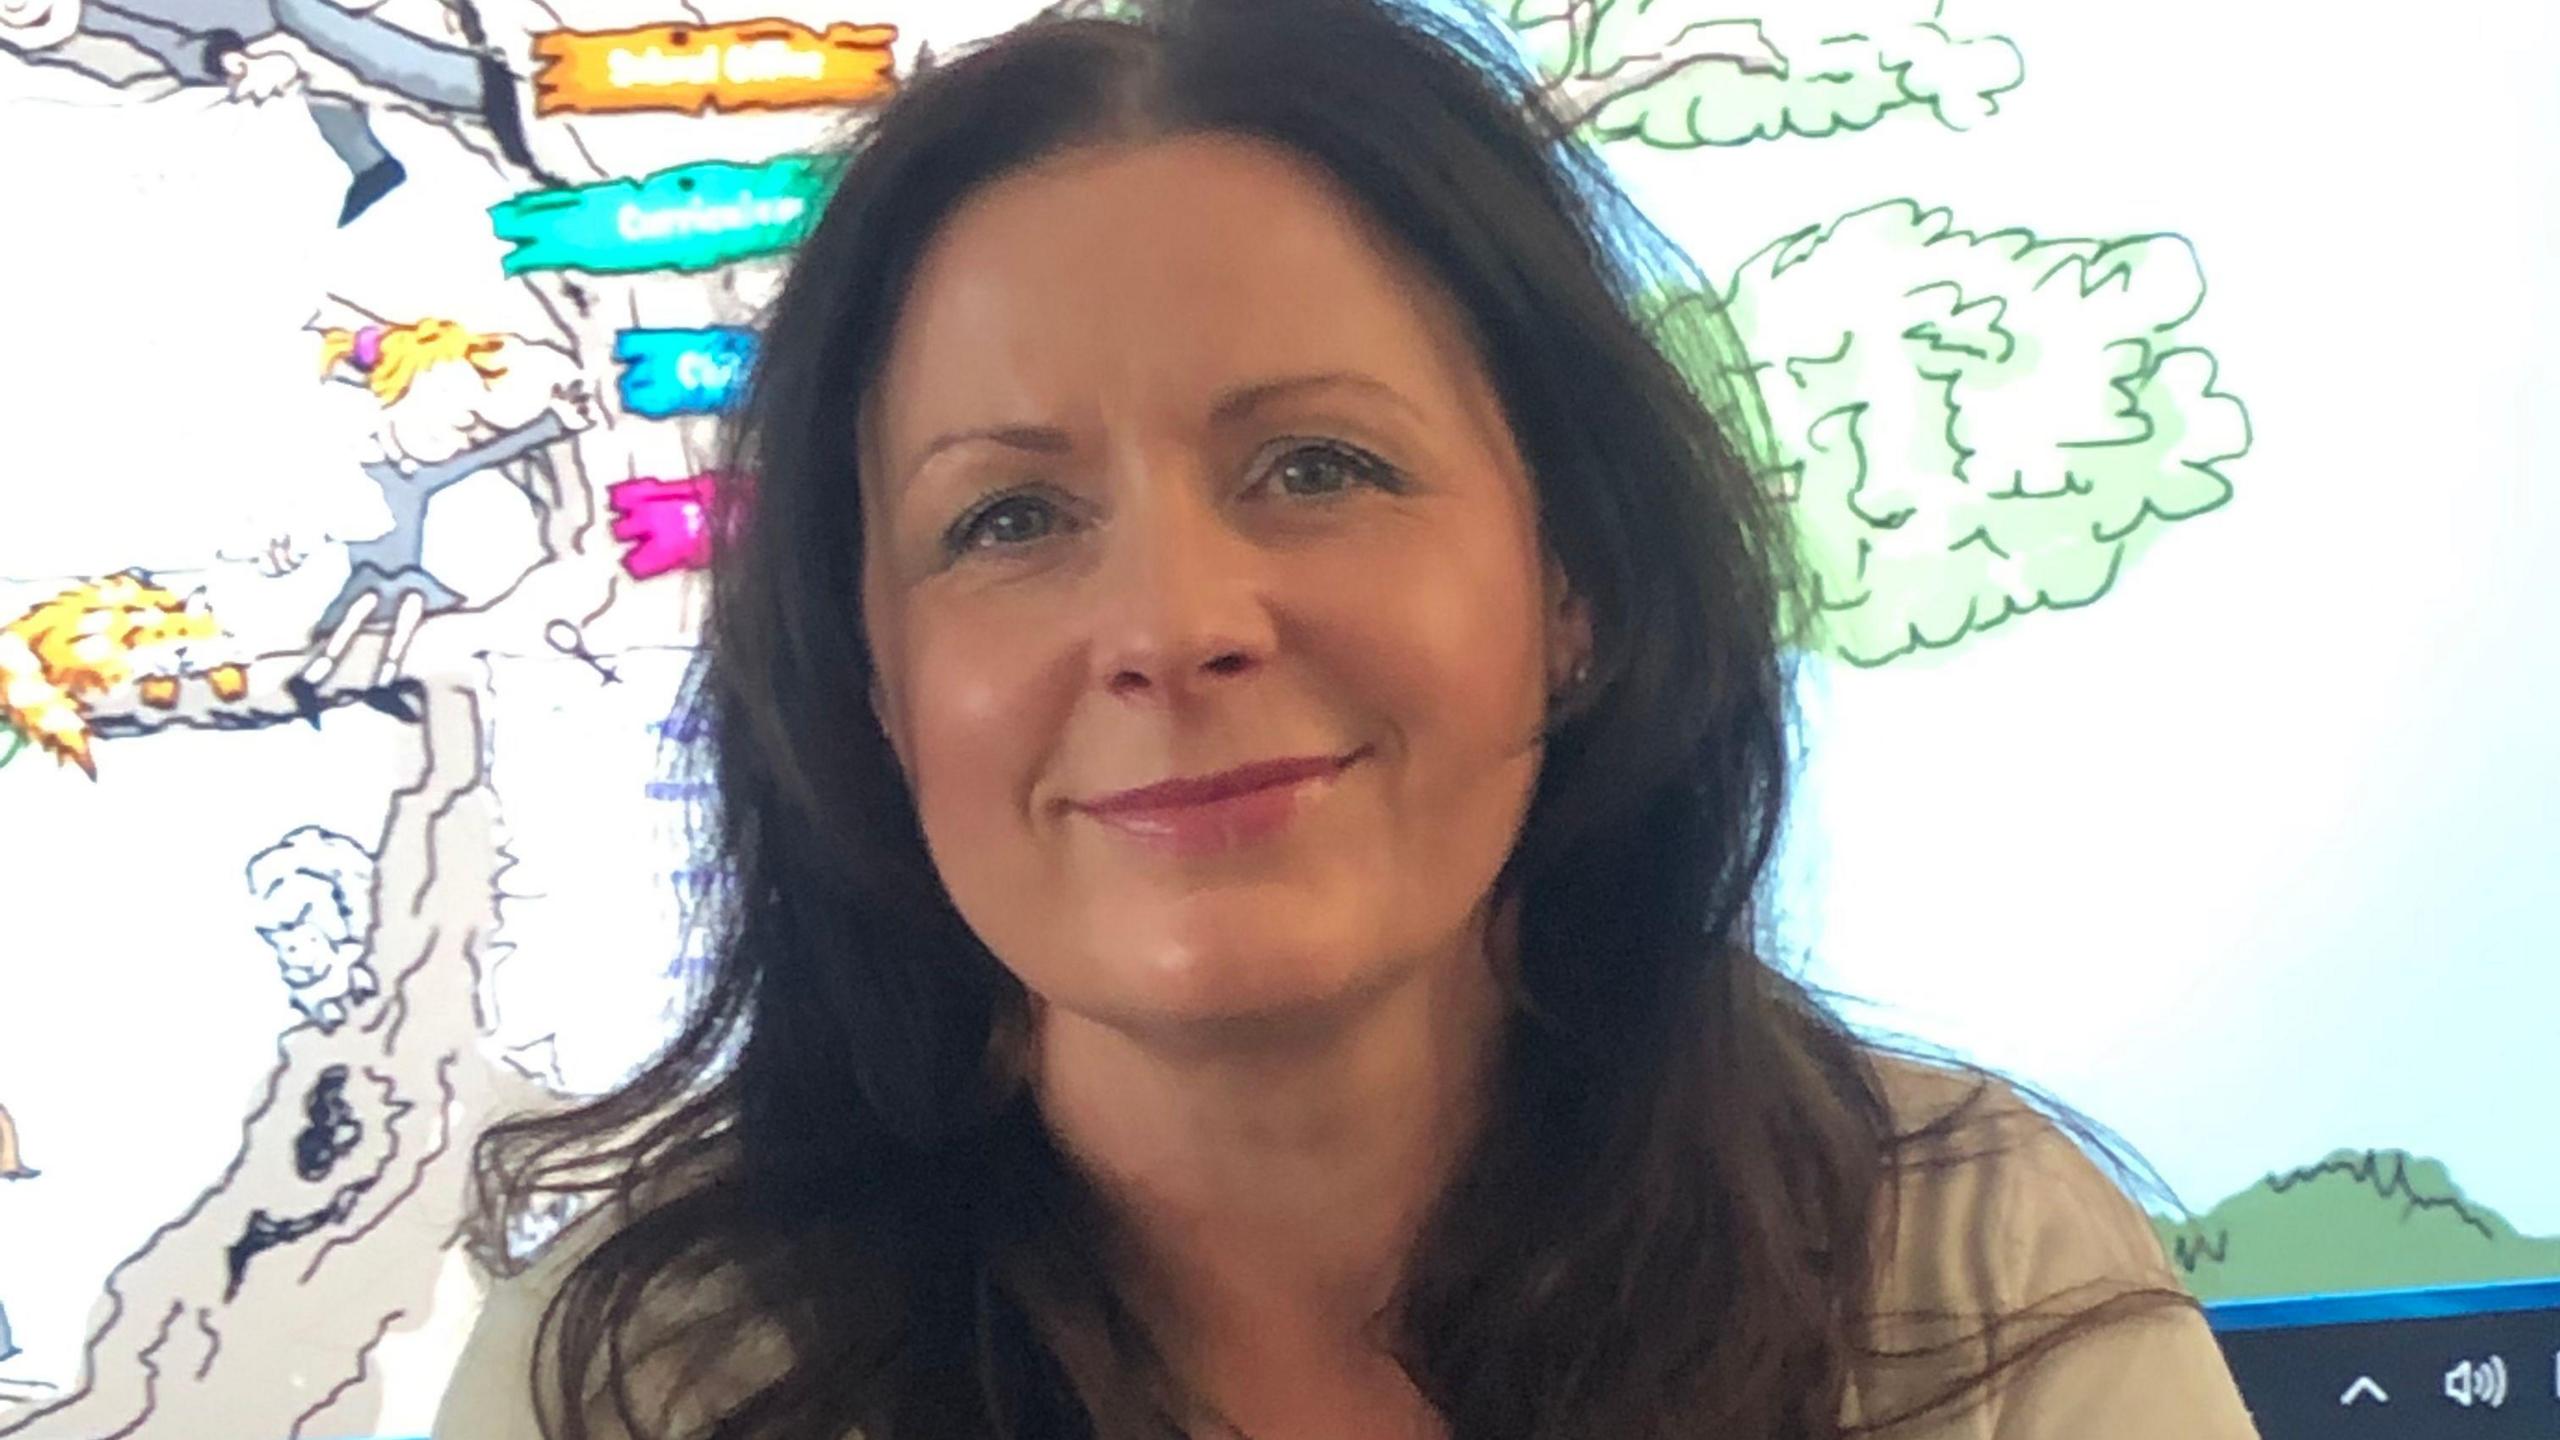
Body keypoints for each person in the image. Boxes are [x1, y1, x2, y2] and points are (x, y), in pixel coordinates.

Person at [437, 1, 2264, 1436]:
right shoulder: (641, 1382)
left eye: (1319, 466)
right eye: (1006, 518)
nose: (1170, 628)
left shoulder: (1966, 1285)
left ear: (1575, 588)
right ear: (872, 683)